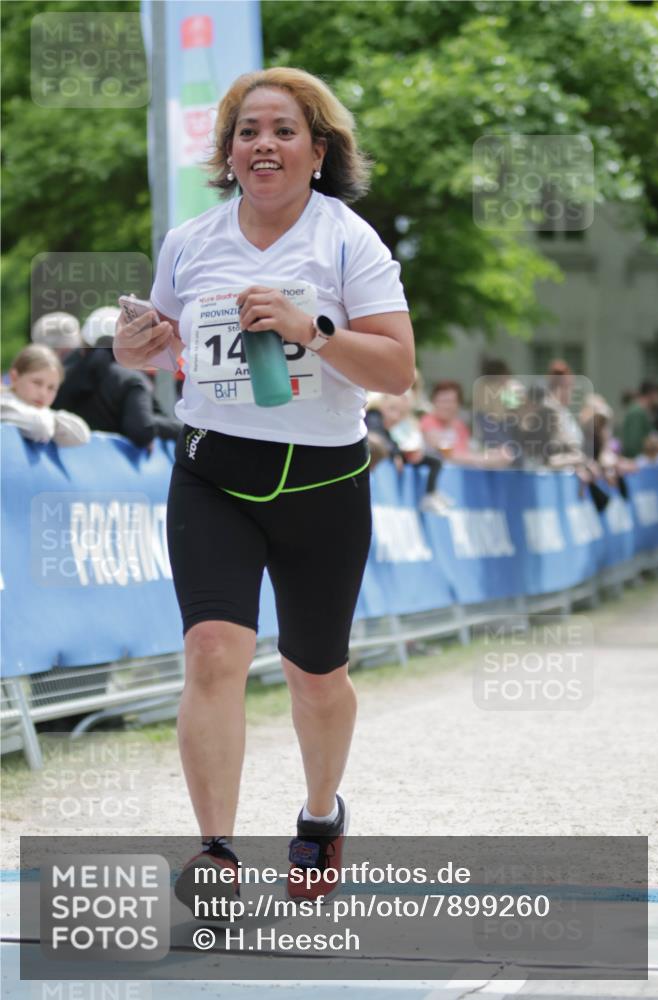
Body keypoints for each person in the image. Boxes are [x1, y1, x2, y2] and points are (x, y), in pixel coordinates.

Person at [113, 67, 414, 906]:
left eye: (283, 130)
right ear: (229, 152)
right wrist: (135, 343)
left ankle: (321, 815)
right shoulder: (191, 240)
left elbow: (397, 369)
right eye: (248, 131)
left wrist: (311, 330)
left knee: (314, 673)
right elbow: (155, 349)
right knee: (213, 652)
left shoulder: (348, 240)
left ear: (318, 150)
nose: (263, 146)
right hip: (214, 472)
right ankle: (215, 853)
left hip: (324, 483)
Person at [55, 307, 181, 447]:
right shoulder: (131, 380)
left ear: (84, 345)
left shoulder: (59, 376)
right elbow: (141, 430)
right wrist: (180, 428)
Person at [0, 344, 90, 446]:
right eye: (37, 383)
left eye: (51, 388)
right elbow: (41, 427)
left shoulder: (43, 415)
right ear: (14, 378)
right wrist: (54, 422)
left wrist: (52, 419)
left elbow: (82, 435)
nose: (43, 393)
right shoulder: (4, 404)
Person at [420, 380, 470, 458]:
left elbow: (464, 451)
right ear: (434, 401)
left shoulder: (460, 426)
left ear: (458, 404)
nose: (446, 406)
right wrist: (484, 459)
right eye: (443, 401)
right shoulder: (427, 421)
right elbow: (447, 453)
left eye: (451, 401)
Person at [621, 380, 658, 458]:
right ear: (652, 394)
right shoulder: (637, 412)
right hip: (636, 462)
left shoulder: (643, 411)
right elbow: (633, 444)